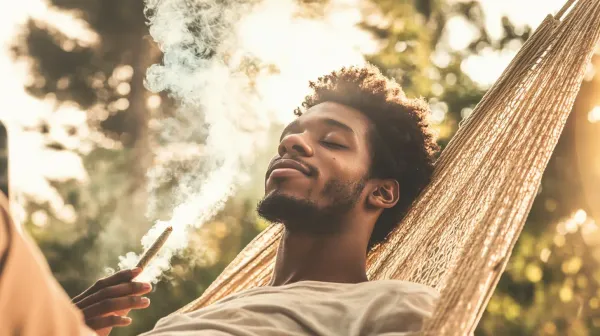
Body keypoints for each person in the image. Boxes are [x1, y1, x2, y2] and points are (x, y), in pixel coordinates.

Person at [1, 64, 441, 335]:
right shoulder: (198, 316)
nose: (294, 145)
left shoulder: (397, 304)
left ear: (381, 191)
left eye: (332, 142)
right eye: (291, 137)